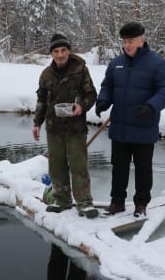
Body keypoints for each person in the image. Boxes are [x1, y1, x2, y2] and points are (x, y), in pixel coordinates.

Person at [95, 21, 165, 218]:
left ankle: (141, 204)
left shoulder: (157, 63)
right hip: (120, 128)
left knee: (143, 169)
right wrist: (103, 100)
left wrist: (152, 105)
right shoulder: (116, 63)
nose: (127, 45)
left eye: (131, 41)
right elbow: (108, 86)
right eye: (124, 41)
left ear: (142, 39)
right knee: (119, 167)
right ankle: (117, 202)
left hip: (144, 128)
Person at [32, 34, 99, 219]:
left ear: (68, 51)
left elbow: (91, 94)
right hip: (53, 128)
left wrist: (81, 106)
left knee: (78, 166)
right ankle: (61, 200)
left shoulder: (80, 70)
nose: (60, 55)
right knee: (57, 166)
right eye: (56, 51)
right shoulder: (46, 74)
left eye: (63, 50)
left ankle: (84, 203)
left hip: (76, 128)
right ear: (51, 53)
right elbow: (41, 101)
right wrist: (37, 123)